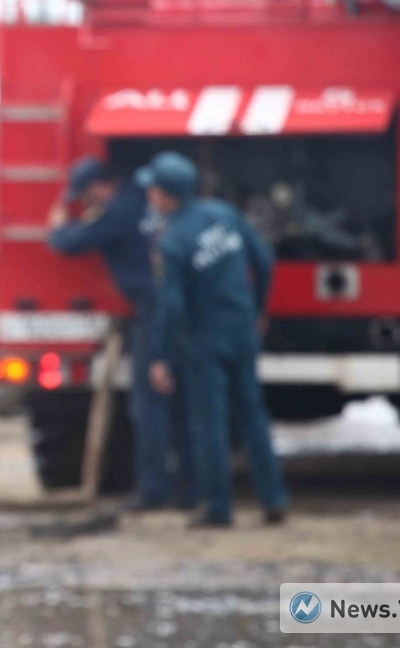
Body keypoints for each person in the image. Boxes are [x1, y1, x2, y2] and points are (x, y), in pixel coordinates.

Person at [141, 150, 289, 528]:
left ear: (166, 195)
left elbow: (172, 305)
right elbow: (265, 262)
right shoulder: (225, 214)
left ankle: (219, 508)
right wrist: (258, 309)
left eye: (152, 190)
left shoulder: (173, 241)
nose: (149, 197)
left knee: (210, 423)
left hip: (205, 341)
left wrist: (161, 356)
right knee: (253, 416)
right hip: (242, 330)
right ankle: (273, 498)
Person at [46, 156, 195, 511]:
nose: (87, 203)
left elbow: (68, 243)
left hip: (153, 312)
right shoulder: (142, 198)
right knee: (186, 403)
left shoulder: (117, 212)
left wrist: (57, 225)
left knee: (148, 405)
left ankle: (153, 491)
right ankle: (191, 490)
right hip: (182, 310)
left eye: (85, 195)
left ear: (99, 186)